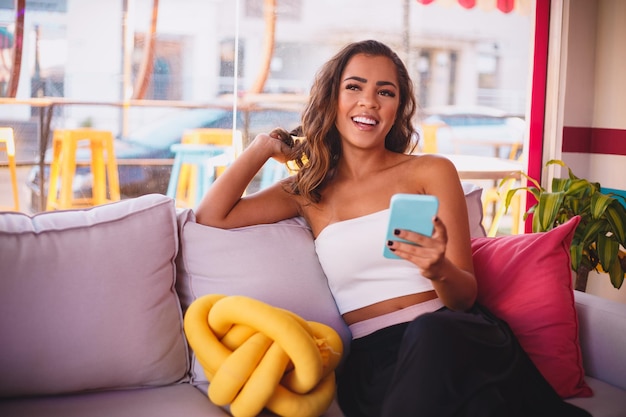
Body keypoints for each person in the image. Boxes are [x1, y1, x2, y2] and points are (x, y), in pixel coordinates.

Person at [196, 40, 590, 417]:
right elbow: (213, 215)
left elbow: (463, 297)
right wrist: (264, 147)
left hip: (454, 334)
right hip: (377, 360)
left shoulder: (431, 171)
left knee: (432, 333)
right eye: (354, 87)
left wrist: (438, 270)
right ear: (332, 99)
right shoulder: (308, 191)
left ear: (398, 107)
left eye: (385, 92)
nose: (369, 100)